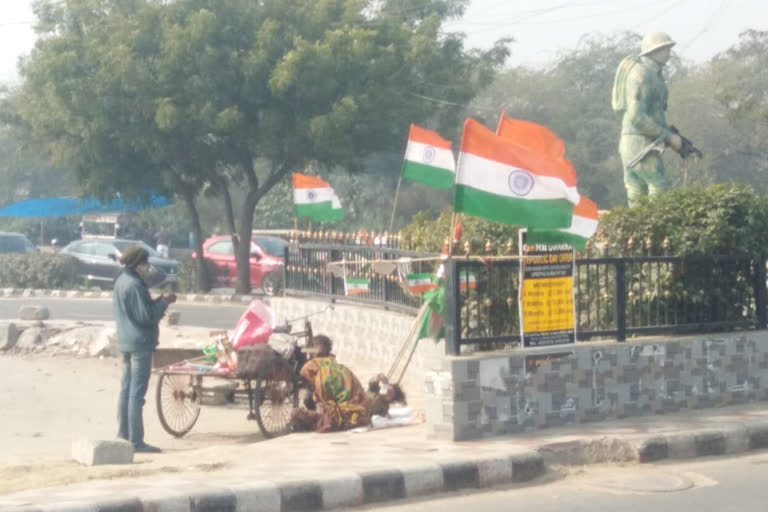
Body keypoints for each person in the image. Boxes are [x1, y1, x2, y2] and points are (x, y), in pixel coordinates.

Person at [612, 32, 689, 206]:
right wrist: (668, 136)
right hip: (640, 143)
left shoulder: (653, 74)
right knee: (659, 185)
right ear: (654, 51)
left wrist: (672, 137)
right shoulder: (642, 74)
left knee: (637, 190)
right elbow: (636, 116)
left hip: (636, 143)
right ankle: (655, 230)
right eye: (665, 49)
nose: (669, 54)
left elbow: (653, 116)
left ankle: (638, 231)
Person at [114, 246, 176, 453]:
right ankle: (136, 441)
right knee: (136, 393)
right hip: (140, 343)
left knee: (126, 390)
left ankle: (123, 435)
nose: (147, 267)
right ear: (139, 263)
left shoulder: (121, 281)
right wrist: (165, 302)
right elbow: (147, 317)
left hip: (125, 341)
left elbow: (140, 309)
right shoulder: (134, 285)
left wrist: (156, 302)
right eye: (146, 263)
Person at [291, 335, 370, 432]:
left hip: (340, 414)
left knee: (306, 405)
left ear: (317, 348)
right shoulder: (341, 367)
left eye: (312, 347)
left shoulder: (313, 366)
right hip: (360, 412)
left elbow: (303, 375)